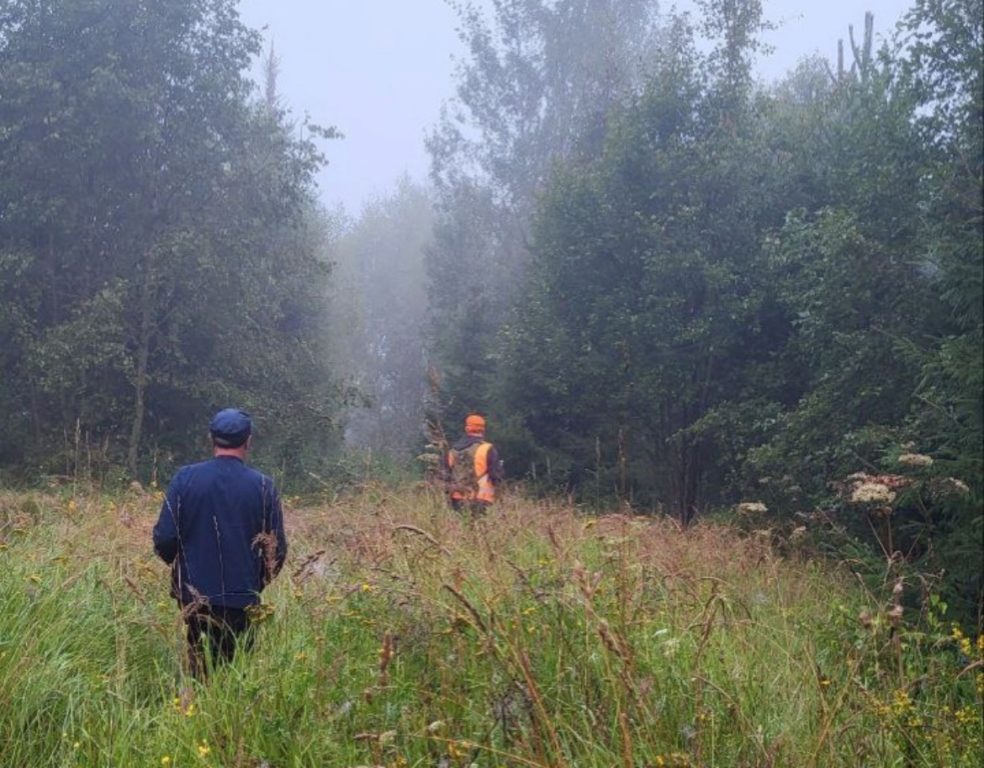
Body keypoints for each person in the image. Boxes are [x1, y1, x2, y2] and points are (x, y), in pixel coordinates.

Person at [153, 408, 287, 678]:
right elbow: (277, 550)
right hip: (243, 599)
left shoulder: (185, 478)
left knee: (199, 670)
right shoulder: (263, 486)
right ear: (248, 441)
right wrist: (255, 581)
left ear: (210, 438)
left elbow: (165, 538)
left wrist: (182, 570)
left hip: (194, 599)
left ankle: (197, 714)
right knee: (237, 675)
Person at [444, 413, 504, 515]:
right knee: (479, 528)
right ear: (483, 429)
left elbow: (445, 475)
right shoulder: (487, 448)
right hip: (481, 498)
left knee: (459, 528)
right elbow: (495, 476)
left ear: (467, 429)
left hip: (456, 498)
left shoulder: (452, 451)